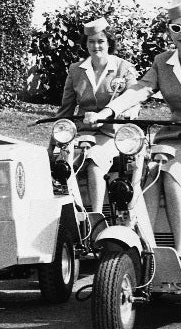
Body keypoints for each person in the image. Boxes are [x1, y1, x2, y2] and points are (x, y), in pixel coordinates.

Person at [85, 0, 181, 270]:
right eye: (176, 28)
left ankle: (179, 252)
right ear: (169, 31)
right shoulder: (162, 61)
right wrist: (108, 111)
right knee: (147, 172)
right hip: (171, 139)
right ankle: (146, 249)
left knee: (172, 172)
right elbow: (140, 89)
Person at [54, 18, 139, 219]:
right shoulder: (76, 70)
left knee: (94, 160)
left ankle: (97, 217)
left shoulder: (123, 67)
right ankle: (74, 216)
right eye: (91, 42)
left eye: (100, 41)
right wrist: (54, 143)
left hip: (112, 134)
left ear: (109, 43)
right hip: (83, 132)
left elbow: (134, 101)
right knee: (63, 163)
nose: (96, 46)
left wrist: (127, 112)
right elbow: (66, 109)